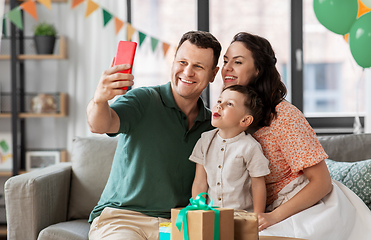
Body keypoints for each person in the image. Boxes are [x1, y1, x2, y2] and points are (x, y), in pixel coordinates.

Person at [221, 32, 371, 240]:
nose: (227, 68)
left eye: (237, 62)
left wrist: (273, 217)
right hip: (269, 212)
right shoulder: (230, 118)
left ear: (258, 70)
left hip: (313, 209)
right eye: (225, 61)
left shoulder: (283, 115)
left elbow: (321, 183)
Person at [86, 31, 221, 240]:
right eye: (182, 62)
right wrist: (99, 100)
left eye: (199, 66)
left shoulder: (212, 126)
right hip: (123, 220)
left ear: (213, 74)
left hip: (178, 224)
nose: (188, 71)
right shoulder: (145, 99)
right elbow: (100, 124)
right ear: (173, 62)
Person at [190, 85, 270, 213]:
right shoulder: (204, 141)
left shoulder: (250, 147)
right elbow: (200, 182)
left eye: (230, 104)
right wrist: (198, 212)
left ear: (245, 120)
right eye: (219, 101)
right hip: (211, 215)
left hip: (240, 215)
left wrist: (257, 216)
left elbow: (258, 185)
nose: (219, 106)